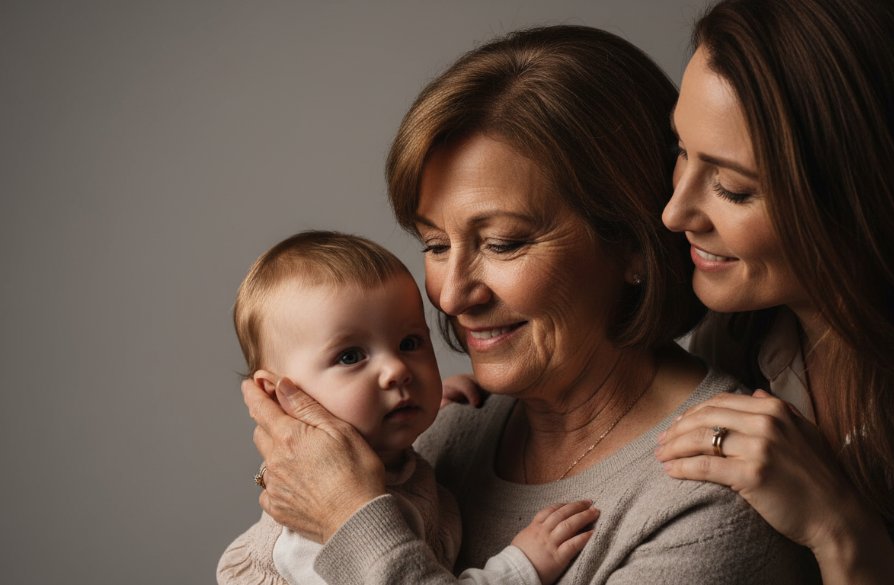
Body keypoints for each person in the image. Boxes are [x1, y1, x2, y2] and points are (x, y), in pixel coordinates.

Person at [240, 26, 821, 585]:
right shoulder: (440, 426)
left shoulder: (712, 497)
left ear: (633, 244)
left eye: (504, 243)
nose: (451, 293)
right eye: (436, 245)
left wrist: (348, 517)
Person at [654, 1, 894, 584]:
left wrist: (841, 532)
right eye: (681, 152)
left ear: (872, 201)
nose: (675, 213)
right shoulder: (735, 335)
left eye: (733, 188)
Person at [217, 230, 598, 585]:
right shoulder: (309, 540)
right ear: (278, 394)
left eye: (410, 343)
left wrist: (435, 404)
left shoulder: (393, 464)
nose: (398, 370)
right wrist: (519, 567)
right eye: (350, 356)